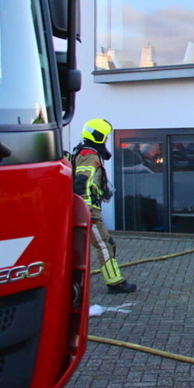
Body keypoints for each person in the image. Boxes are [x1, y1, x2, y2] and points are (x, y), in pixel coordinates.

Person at [72, 118, 138, 294]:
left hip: (85, 208)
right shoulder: (89, 155)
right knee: (105, 244)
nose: (107, 140)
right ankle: (115, 283)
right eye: (105, 136)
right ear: (98, 135)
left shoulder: (83, 151)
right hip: (89, 210)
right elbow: (82, 182)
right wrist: (87, 210)